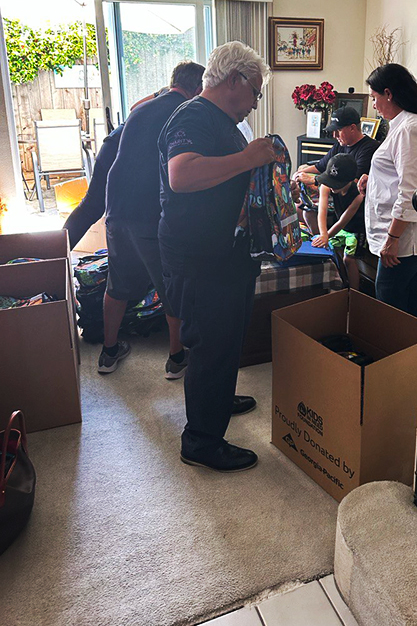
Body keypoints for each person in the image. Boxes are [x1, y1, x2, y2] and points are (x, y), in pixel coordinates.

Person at [157, 41, 276, 473]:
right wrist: (247, 158)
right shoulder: (192, 116)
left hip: (224, 254)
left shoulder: (220, 121)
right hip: (199, 257)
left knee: (228, 338)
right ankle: (202, 442)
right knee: (210, 345)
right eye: (256, 92)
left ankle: (219, 399)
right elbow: (182, 175)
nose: (255, 103)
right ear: (235, 81)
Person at [98, 62, 205, 377]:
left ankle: (108, 352)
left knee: (117, 284)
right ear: (198, 88)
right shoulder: (186, 114)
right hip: (148, 213)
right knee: (170, 284)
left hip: (116, 207)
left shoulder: (140, 109)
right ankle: (176, 359)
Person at [358, 64, 417, 320]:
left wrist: (392, 238)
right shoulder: (404, 125)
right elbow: (401, 173)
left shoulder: (410, 128)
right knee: (409, 296)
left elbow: (412, 190)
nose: (373, 105)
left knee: (388, 296)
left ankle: (395, 355)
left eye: (374, 97)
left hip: (406, 237)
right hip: (409, 234)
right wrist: (372, 178)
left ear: (388, 93)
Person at [63, 90, 166, 249]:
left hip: (113, 143)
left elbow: (134, 108)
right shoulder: (185, 103)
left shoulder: (162, 94)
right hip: (126, 148)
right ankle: (55, 259)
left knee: (90, 206)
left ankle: (55, 258)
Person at [293, 107, 378, 233]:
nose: (335, 135)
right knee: (298, 207)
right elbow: (320, 166)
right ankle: (318, 242)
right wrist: (299, 173)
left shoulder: (369, 148)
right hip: (336, 195)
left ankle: (324, 244)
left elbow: (351, 182)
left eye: (338, 130)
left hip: (352, 202)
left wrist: (314, 180)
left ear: (352, 128)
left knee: (307, 213)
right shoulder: (340, 144)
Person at [311, 154, 365, 290]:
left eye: (337, 184)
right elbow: (321, 211)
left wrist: (326, 235)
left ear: (350, 180)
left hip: (357, 230)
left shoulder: (359, 195)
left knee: (348, 259)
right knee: (331, 249)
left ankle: (354, 293)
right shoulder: (326, 185)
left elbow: (342, 220)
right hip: (343, 228)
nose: (333, 187)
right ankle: (342, 284)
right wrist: (323, 234)